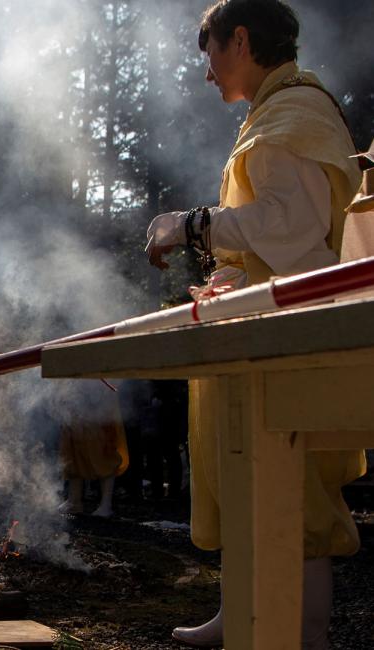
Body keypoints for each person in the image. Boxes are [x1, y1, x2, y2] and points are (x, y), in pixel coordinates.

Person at [143, 2, 363, 647]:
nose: (207, 71)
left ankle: (306, 634)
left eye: (210, 51)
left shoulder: (294, 114)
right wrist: (230, 279)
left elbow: (293, 229)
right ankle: (242, 609)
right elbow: (280, 244)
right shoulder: (275, 112)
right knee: (246, 468)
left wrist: (191, 225)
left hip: (290, 338)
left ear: (241, 39)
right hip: (266, 325)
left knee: (293, 491)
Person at [56, 382, 129, 519]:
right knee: (72, 455)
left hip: (98, 406)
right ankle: (74, 500)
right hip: (75, 406)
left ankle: (105, 505)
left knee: (104, 455)